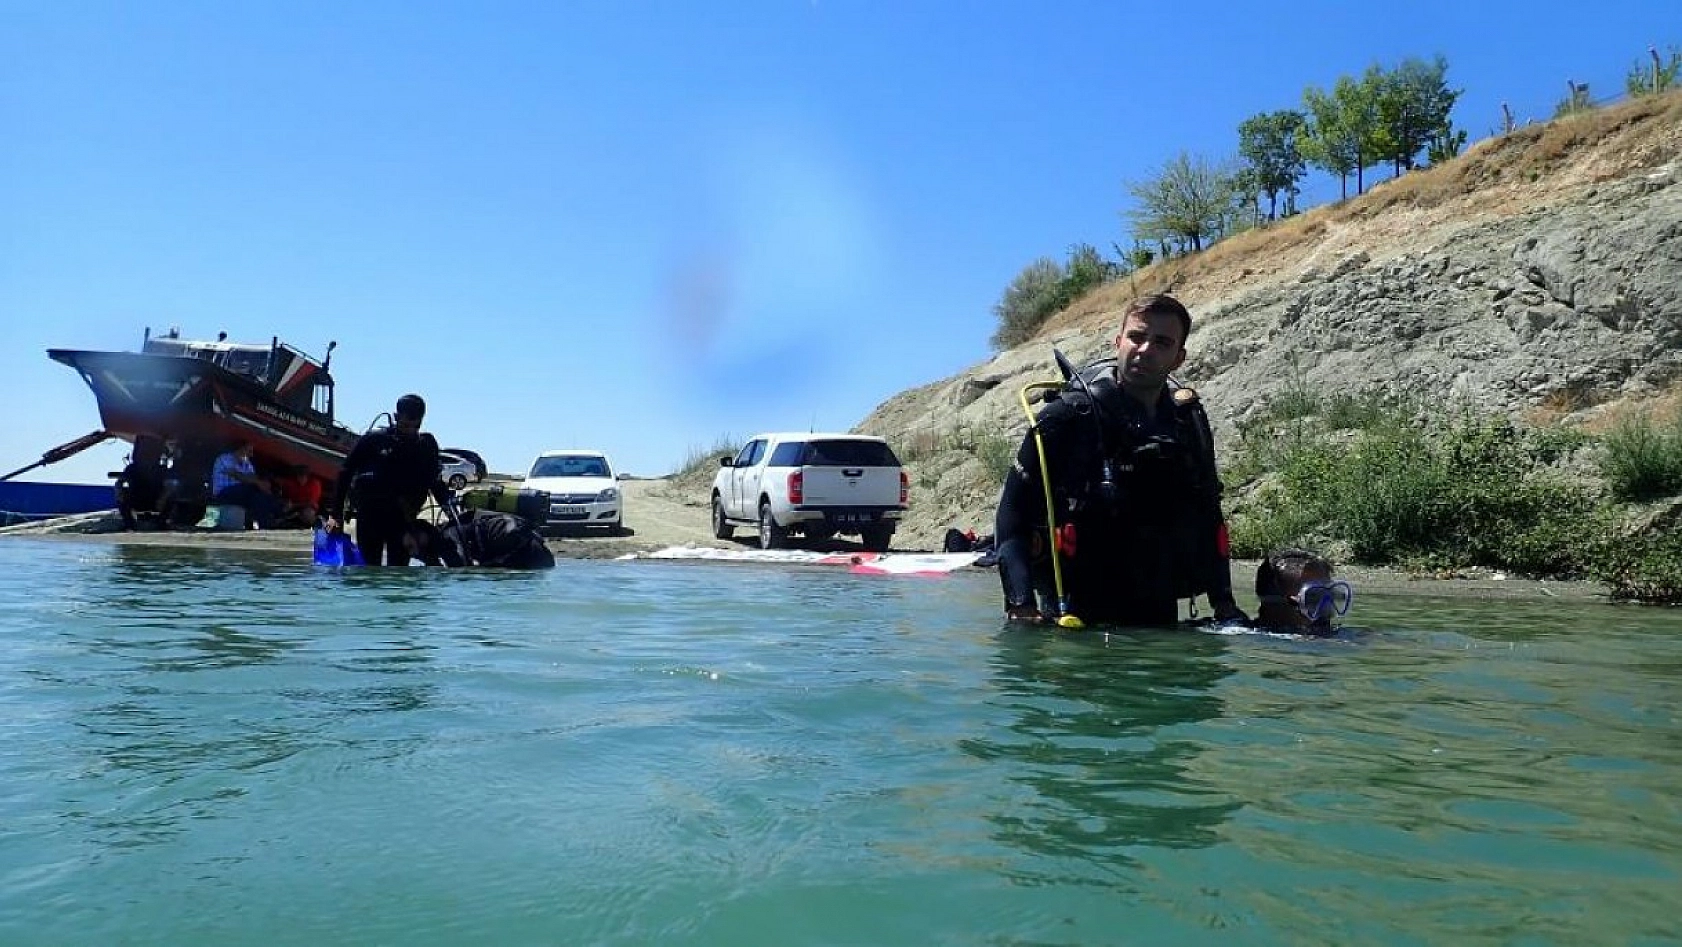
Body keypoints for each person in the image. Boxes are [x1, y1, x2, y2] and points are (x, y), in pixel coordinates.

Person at [994, 293, 1247, 628]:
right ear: (1118, 341)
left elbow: (1209, 513)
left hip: (1159, 607)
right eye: (1136, 337)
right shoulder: (1067, 418)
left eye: (1161, 342)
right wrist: (1021, 604)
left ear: (1179, 358)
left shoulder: (1188, 423)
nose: (1144, 350)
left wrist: (1225, 604)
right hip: (1074, 613)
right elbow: (1011, 514)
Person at [325, 393, 449, 565]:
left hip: (402, 519)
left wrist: (451, 512)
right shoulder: (374, 440)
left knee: (399, 573)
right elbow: (345, 472)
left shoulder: (425, 447)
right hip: (370, 515)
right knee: (369, 569)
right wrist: (335, 515)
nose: (409, 431)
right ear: (396, 417)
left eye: (414, 426)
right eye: (404, 425)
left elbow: (433, 480)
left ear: (420, 422)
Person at [406, 509, 555, 569]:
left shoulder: (449, 536)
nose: (413, 554)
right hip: (541, 554)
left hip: (531, 556)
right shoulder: (457, 527)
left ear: (422, 535)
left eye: (411, 547)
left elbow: (460, 568)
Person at [1253, 548, 1353, 636]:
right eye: (1313, 599)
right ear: (1273, 607)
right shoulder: (1244, 632)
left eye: (1332, 596)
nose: (1328, 612)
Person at [210, 441, 280, 529]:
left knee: (260, 496)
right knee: (253, 489)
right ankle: (268, 521)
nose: (251, 454)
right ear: (242, 449)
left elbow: (253, 478)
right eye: (249, 451)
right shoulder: (225, 458)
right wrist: (258, 483)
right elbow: (237, 475)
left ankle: (268, 522)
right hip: (224, 492)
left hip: (241, 493)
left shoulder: (247, 464)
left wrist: (265, 487)